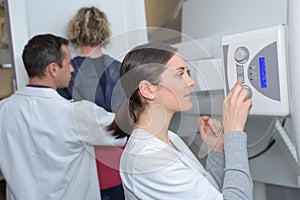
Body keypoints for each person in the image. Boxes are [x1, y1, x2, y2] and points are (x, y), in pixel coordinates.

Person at [107, 43, 253, 199]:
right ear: (148, 90)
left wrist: (217, 150)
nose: (191, 82)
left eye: (187, 72)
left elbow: (211, 192)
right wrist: (234, 133)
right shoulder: (148, 159)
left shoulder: (171, 139)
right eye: (179, 74)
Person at [0, 34, 126, 200]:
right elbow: (123, 130)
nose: (72, 69)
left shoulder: (3, 109)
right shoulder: (75, 114)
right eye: (68, 64)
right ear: (53, 69)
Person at [57, 7, 125, 199]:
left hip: (85, 155)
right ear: (104, 31)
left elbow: (62, 117)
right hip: (119, 156)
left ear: (76, 31)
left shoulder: (68, 72)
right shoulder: (119, 68)